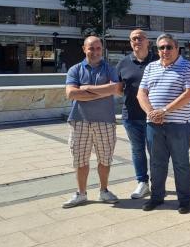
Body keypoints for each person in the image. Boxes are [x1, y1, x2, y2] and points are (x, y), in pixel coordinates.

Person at [138, 34, 190, 214]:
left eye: (169, 47)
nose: (165, 51)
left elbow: (189, 94)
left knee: (181, 163)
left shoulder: (187, 66)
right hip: (153, 125)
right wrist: (151, 113)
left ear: (177, 48)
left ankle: (184, 200)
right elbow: (141, 94)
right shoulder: (150, 67)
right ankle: (156, 197)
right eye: (161, 47)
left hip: (179, 125)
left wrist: (164, 111)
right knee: (156, 163)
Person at [62, 36, 121, 208]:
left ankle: (104, 190)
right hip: (79, 121)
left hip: (105, 122)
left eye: (98, 48)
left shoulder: (109, 69)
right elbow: (71, 94)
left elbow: (116, 89)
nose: (95, 52)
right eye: (91, 48)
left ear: (101, 49)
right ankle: (81, 193)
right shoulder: (75, 69)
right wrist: (104, 91)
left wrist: (86, 88)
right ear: (84, 49)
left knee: (105, 159)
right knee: (80, 160)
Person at [116, 29, 157, 199]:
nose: (137, 41)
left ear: (148, 41)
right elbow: (118, 89)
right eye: (134, 39)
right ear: (130, 42)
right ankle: (142, 182)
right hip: (131, 116)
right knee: (137, 150)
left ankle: (157, 182)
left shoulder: (158, 60)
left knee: (155, 151)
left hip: (154, 116)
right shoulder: (123, 63)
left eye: (140, 38)